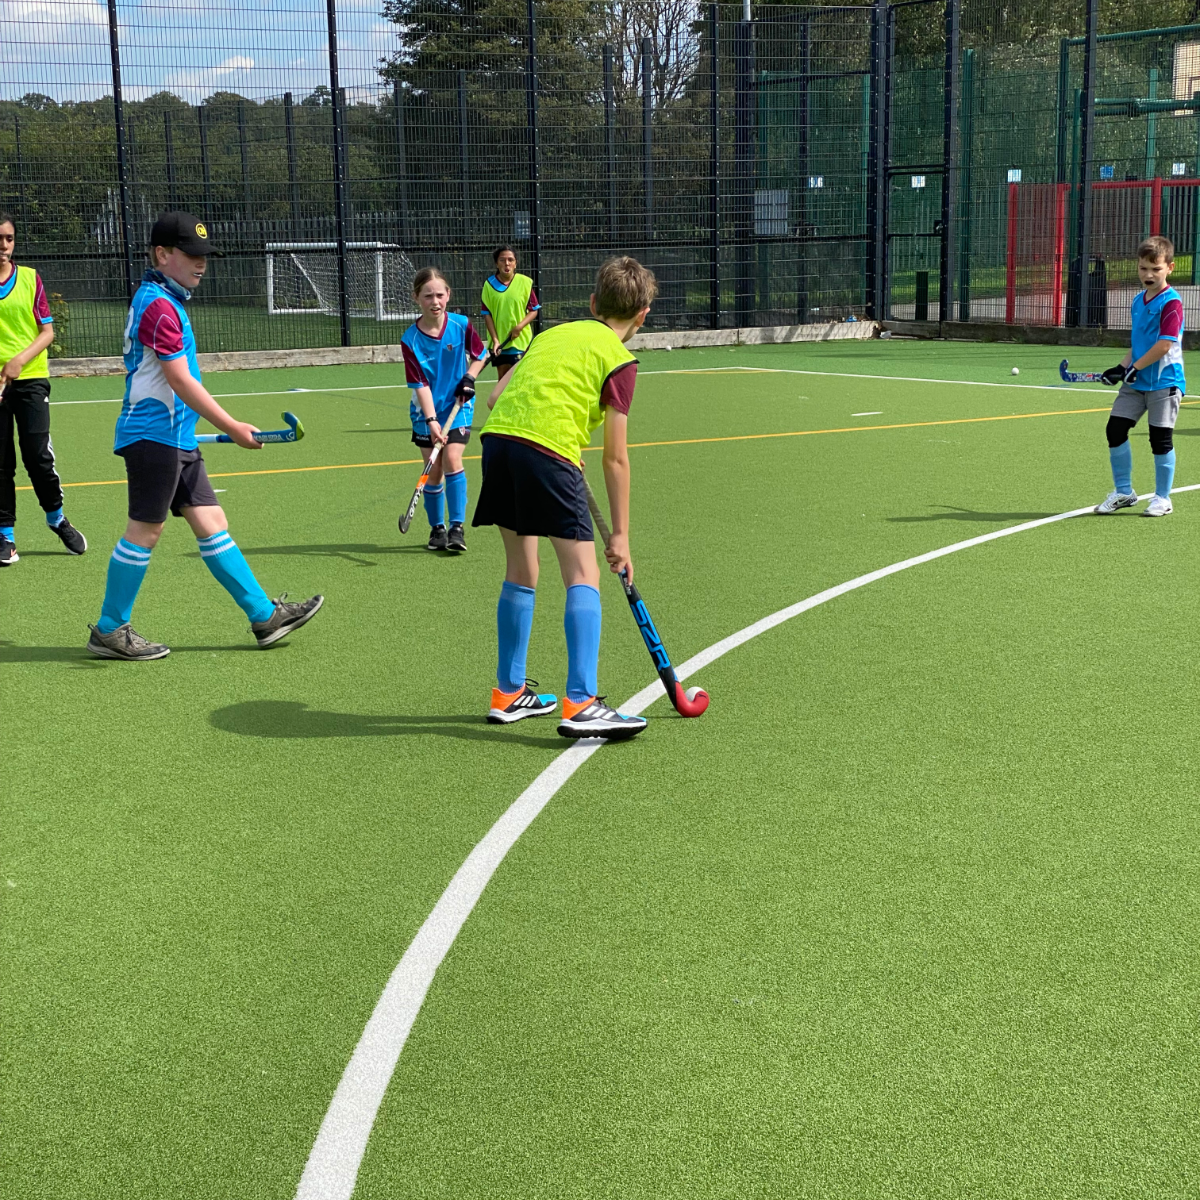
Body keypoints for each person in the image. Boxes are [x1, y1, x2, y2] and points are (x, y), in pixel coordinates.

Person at [86, 211, 323, 660]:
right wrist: (232, 426)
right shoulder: (157, 305)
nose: (201, 263)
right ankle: (110, 629)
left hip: (177, 437)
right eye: (191, 255)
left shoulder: (167, 301)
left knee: (211, 522)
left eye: (204, 256)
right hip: (154, 435)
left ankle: (263, 616)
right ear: (162, 254)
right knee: (145, 530)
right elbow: (180, 381)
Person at [474, 255, 656, 740]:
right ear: (642, 316)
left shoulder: (551, 335)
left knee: (522, 570)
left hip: (498, 442)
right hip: (546, 451)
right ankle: (581, 701)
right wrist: (621, 535)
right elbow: (615, 458)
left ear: (594, 303)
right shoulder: (621, 360)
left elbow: (495, 398)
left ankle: (508, 692)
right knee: (583, 571)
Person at [0, 213, 86, 566]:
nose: (3, 246)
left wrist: (18, 361)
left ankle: (56, 518)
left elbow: (47, 332)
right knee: (1, 463)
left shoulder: (31, 279)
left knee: (37, 455)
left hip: (31, 378)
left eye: (8, 238)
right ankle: (5, 536)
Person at [1095, 235, 1185, 518]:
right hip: (1137, 382)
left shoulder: (1172, 303)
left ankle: (1162, 498)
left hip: (1164, 381)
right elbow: (1140, 342)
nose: (1148, 275)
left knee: (1160, 439)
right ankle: (1124, 492)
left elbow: (1164, 344)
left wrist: (1136, 367)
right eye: (1144, 268)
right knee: (1115, 430)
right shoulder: (1138, 300)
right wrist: (1122, 367)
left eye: (1155, 269)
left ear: (1169, 268)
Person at [399, 267, 488, 553]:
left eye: (439, 295)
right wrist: (432, 420)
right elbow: (420, 384)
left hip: (459, 405)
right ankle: (437, 529)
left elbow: (481, 355)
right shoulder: (410, 340)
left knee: (452, 458)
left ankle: (457, 528)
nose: (434, 301)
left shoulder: (461, 325)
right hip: (425, 411)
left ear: (448, 295)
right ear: (416, 298)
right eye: (428, 296)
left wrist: (469, 378)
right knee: (433, 470)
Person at [480, 246, 539, 381]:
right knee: (503, 381)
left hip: (521, 342)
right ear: (496, 263)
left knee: (521, 380)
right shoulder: (489, 285)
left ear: (515, 263)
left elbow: (533, 310)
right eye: (502, 260)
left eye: (510, 260)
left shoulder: (525, 282)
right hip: (500, 344)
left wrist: (519, 327)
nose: (506, 263)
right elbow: (486, 314)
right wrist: (495, 341)